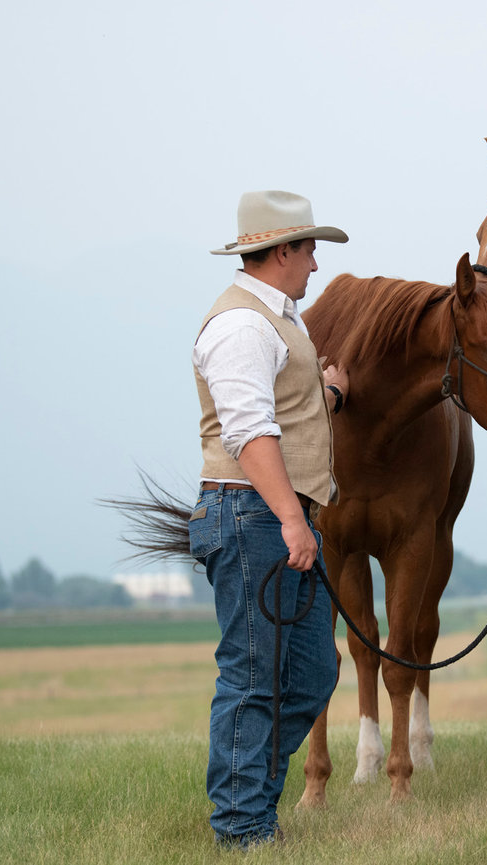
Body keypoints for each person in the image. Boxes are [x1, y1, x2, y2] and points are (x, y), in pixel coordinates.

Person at [189, 190, 349, 848]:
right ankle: (242, 827)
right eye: (309, 249)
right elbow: (251, 432)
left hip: (277, 515)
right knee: (254, 672)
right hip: (254, 514)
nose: (315, 264)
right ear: (281, 251)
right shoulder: (242, 326)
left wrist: (330, 392)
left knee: (312, 670)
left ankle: (247, 791)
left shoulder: (278, 321)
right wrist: (290, 518)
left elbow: (281, 411)